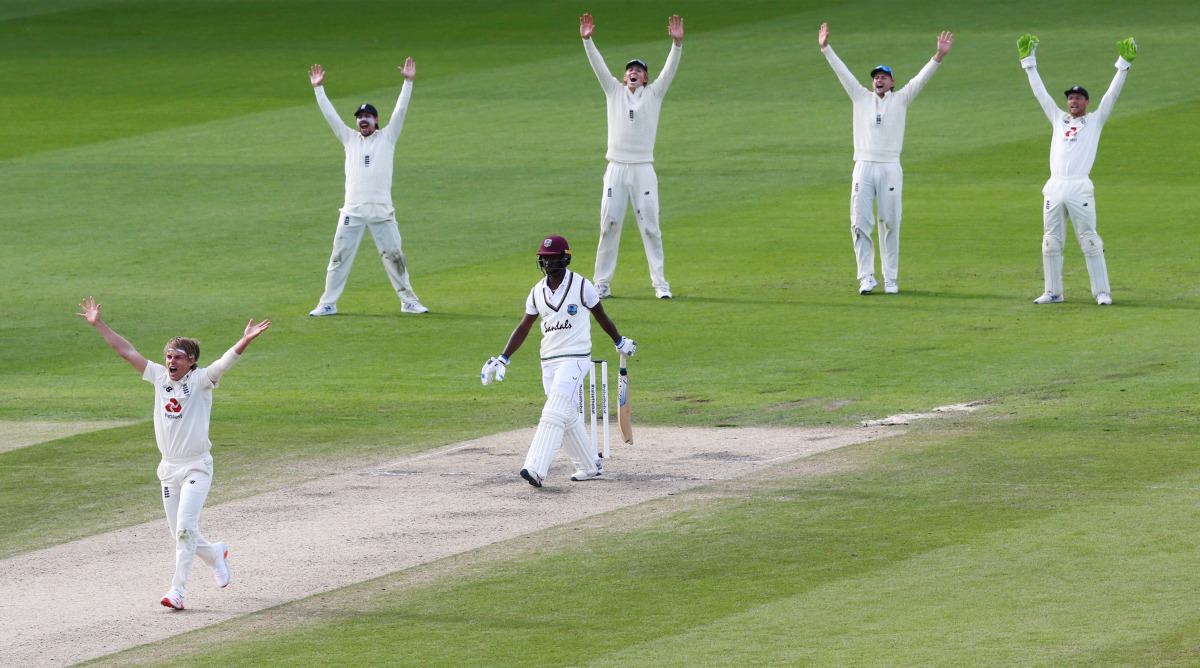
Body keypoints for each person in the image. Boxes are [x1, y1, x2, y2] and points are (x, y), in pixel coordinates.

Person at [76, 296, 270, 610]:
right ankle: (215, 553)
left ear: (191, 361)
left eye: (178, 357)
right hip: (168, 469)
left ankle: (177, 592)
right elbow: (126, 351)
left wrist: (244, 341)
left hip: (196, 467)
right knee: (181, 533)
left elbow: (224, 362)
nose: (171, 362)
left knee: (183, 530)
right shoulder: (158, 377)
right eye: (168, 356)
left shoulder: (202, 380)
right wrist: (98, 324)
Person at [480, 235, 637, 487]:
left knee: (553, 413)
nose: (547, 262)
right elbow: (524, 327)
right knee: (567, 415)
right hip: (548, 361)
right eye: (544, 257)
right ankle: (589, 466)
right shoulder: (536, 291)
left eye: (552, 258)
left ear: (565, 258)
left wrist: (619, 341)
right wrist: (503, 357)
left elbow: (601, 317)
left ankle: (535, 467)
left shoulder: (582, 285)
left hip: (575, 359)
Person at [818, 23, 953, 295]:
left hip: (890, 167)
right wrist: (826, 49)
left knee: (890, 222)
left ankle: (891, 278)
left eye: (884, 77)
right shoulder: (860, 97)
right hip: (863, 167)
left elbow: (920, 80)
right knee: (860, 221)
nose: (878, 80)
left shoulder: (901, 99)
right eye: (875, 77)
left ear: (892, 81)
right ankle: (866, 277)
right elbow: (842, 74)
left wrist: (938, 56)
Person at [1018, 34, 1137, 306]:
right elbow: (1041, 93)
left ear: (1087, 102)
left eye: (1078, 98)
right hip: (1055, 186)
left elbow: (1112, 94)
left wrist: (1123, 65)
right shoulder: (1058, 119)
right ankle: (1053, 292)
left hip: (1079, 186)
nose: (1073, 101)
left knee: (1090, 240)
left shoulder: (1095, 120)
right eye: (1070, 98)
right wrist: (1028, 62)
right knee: (1050, 241)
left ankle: (1102, 292)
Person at [307, 60, 429, 317]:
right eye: (360, 117)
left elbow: (401, 110)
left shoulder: (388, 137)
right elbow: (331, 117)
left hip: (382, 210)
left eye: (367, 117)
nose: (363, 120)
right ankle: (328, 303)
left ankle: (409, 302)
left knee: (395, 257)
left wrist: (408, 82)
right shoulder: (349, 139)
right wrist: (319, 89)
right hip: (352, 210)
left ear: (376, 120)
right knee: (338, 259)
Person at [580, 13, 684, 300]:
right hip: (616, 168)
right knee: (609, 225)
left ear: (646, 77)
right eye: (630, 70)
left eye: (639, 70)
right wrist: (588, 40)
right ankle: (601, 284)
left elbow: (669, 72)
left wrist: (676, 45)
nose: (633, 72)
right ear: (624, 76)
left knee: (650, 227)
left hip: (643, 169)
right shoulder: (613, 91)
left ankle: (660, 284)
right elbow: (599, 68)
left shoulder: (654, 94)